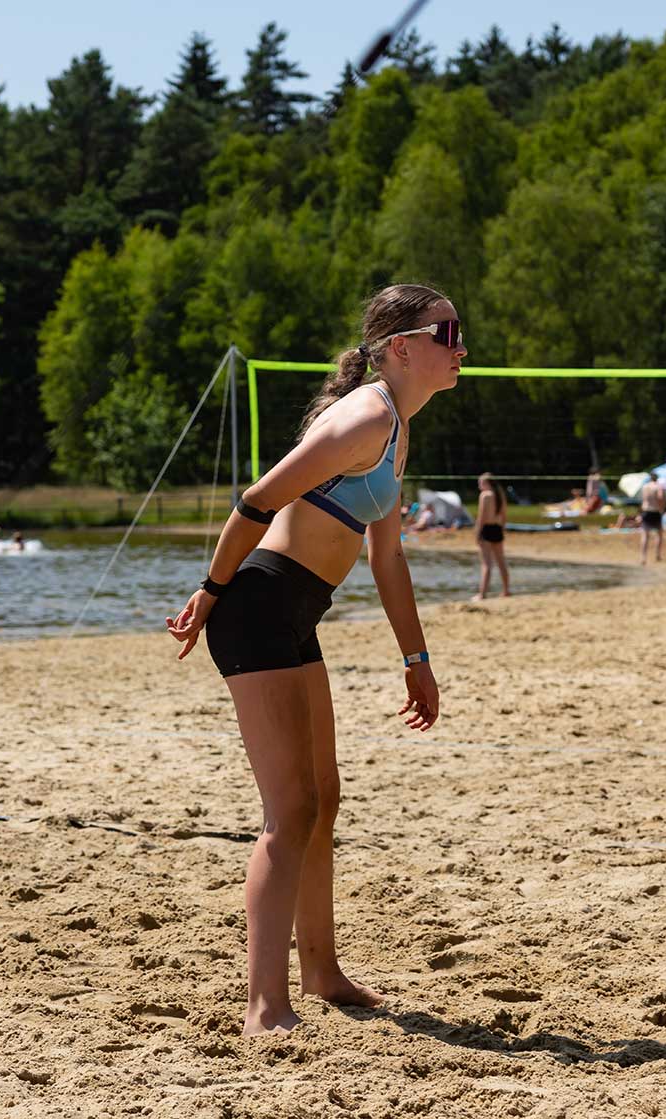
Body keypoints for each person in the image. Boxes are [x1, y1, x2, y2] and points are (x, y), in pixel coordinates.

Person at [166, 284, 465, 1036]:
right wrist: (209, 591)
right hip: (258, 604)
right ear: (401, 346)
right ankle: (265, 1004)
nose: (461, 346)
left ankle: (323, 970)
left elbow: (387, 558)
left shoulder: (396, 426)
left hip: (299, 612)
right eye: (447, 331)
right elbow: (256, 499)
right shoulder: (364, 415)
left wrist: (416, 657)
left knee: (323, 799)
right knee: (290, 809)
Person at [473, 472, 510, 600]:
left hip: (487, 529)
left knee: (486, 564)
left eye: (480, 483)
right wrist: (502, 530)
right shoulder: (500, 495)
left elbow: (481, 517)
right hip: (498, 528)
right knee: (501, 562)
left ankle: (482, 594)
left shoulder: (485, 495)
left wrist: (477, 533)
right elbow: (504, 516)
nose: (479, 486)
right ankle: (506, 590)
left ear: (487, 483)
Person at [640, 471, 665, 564]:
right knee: (659, 534)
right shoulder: (658, 486)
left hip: (646, 510)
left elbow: (643, 500)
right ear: (657, 478)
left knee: (645, 535)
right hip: (655, 511)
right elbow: (660, 496)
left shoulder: (645, 487)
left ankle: (643, 557)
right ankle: (657, 555)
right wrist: (662, 507)